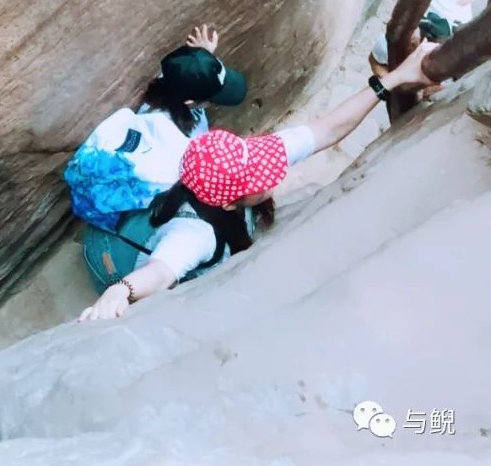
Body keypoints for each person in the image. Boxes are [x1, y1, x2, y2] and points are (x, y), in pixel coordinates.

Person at [79, 38, 438, 321]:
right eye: (257, 179)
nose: (271, 176)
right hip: (111, 263)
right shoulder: (194, 234)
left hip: (137, 235)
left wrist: (394, 79)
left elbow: (327, 128)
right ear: (228, 202)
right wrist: (119, 291)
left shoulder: (232, 161)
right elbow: (160, 271)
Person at [76, 25, 247, 291]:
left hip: (109, 229)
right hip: (112, 263)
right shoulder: (176, 154)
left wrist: (202, 56)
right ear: (190, 102)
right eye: (211, 97)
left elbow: (182, 72)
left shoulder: (164, 90)